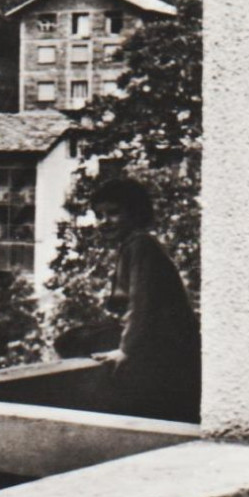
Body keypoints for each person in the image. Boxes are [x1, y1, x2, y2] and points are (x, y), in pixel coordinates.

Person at [88, 176, 200, 422]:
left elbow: (142, 303)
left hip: (168, 344)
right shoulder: (131, 245)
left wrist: (126, 350)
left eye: (113, 213)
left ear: (135, 213)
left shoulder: (140, 245)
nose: (105, 222)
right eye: (99, 215)